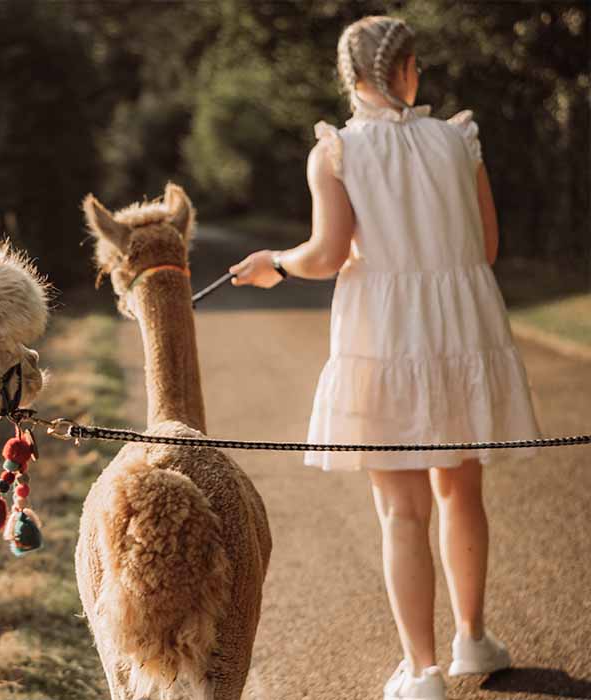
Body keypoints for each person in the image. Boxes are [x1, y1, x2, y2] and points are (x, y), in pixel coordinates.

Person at [228, 15, 541, 700]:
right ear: (408, 69)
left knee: (402, 512)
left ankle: (422, 671)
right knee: (461, 490)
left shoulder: (336, 151)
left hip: (385, 335)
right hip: (462, 329)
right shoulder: (460, 140)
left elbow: (328, 254)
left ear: (351, 77)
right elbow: (486, 246)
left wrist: (274, 264)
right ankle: (473, 639)